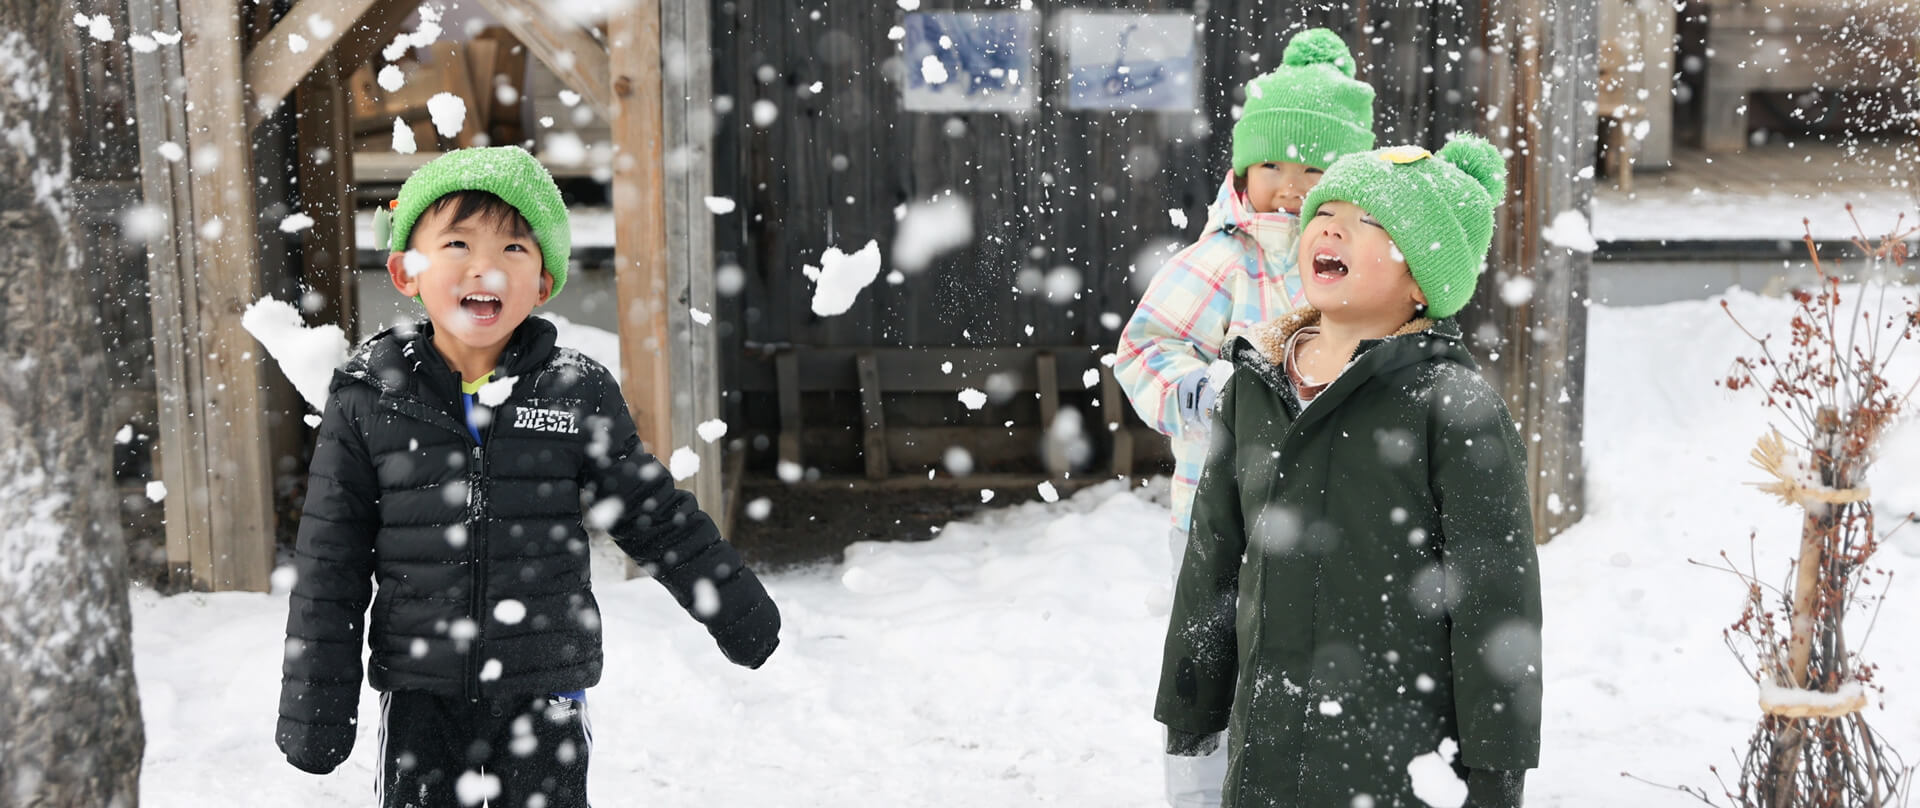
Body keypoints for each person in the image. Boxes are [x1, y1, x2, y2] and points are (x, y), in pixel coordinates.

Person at [275, 146, 780, 807]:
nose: (484, 265)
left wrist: (732, 604)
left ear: (543, 283)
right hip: (422, 688)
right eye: (457, 242)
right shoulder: (370, 396)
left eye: (515, 248)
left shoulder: (574, 391)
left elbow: (652, 513)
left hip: (544, 685)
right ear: (404, 270)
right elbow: (330, 558)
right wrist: (318, 699)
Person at [1154, 134, 1543, 807]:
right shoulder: (1255, 385)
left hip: (1395, 762)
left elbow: (1495, 602)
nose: (1330, 224)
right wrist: (1191, 707)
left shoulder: (1450, 404)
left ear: (1422, 280)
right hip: (1266, 752)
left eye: (1369, 222)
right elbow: (1213, 561)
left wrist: (1496, 772)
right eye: (1325, 212)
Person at [1112, 26, 1376, 808]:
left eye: (1314, 167)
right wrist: (1192, 389)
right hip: (1219, 515)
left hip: (1336, 519)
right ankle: (1202, 793)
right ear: (1241, 171)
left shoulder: (1364, 263)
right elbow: (1145, 346)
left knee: (1318, 676)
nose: (1291, 186)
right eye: (1272, 166)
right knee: (1216, 670)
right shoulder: (1221, 260)